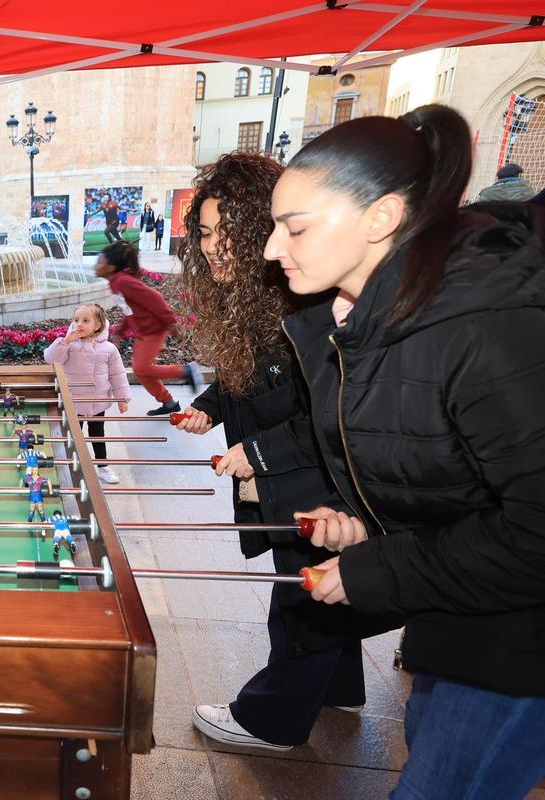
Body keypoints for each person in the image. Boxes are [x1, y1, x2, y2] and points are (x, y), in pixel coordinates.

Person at [268, 105, 545, 798]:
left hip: (523, 641)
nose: (274, 248)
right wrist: (367, 520)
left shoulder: (486, 326)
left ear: (381, 217)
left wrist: (377, 570)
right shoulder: (366, 319)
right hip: (459, 617)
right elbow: (449, 470)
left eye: (295, 227)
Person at [175, 151, 385, 752]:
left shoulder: (308, 301)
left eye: (229, 233)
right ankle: (338, 686)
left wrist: (258, 454)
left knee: (303, 596)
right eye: (207, 234)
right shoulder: (258, 300)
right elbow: (253, 378)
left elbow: (333, 411)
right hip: (295, 479)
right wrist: (212, 407)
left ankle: (272, 718)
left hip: (320, 483)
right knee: (318, 587)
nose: (217, 247)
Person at [96, 241, 203, 416]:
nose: (97, 264)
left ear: (110, 267)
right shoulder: (116, 283)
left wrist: (172, 323)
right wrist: (120, 333)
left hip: (153, 330)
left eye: (100, 260)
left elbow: (155, 298)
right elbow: (128, 309)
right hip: (142, 333)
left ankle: (186, 371)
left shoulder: (123, 281)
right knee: (143, 372)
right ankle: (168, 403)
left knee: (141, 368)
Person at [43, 303, 130, 483]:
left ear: (98, 325)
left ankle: (102, 466)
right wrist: (65, 341)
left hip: (98, 401)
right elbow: (50, 358)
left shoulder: (108, 349)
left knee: (98, 434)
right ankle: (74, 466)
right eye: (76, 320)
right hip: (75, 401)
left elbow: (117, 374)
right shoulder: (69, 345)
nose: (79, 324)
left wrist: (122, 398)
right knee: (75, 435)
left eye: (85, 320)